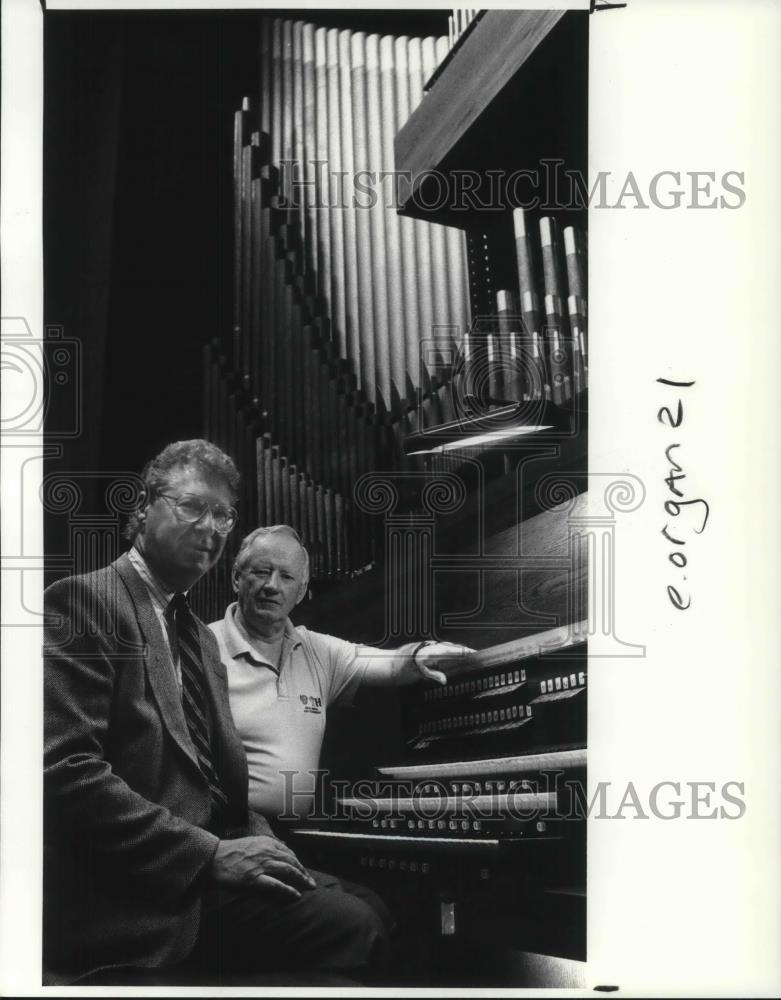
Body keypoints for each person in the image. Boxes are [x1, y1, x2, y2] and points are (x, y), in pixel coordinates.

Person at [43, 440, 390, 986]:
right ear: (141, 510)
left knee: (371, 901)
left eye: (223, 514)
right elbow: (64, 776)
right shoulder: (86, 603)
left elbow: (220, 784)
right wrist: (210, 856)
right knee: (355, 926)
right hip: (138, 891)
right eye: (192, 506)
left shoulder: (198, 642)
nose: (211, 527)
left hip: (204, 863)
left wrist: (265, 842)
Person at [209, 524, 469, 824]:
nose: (273, 585)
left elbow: (393, 664)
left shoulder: (319, 651)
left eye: (287, 576)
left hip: (293, 839)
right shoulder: (201, 648)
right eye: (261, 572)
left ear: (302, 590)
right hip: (228, 835)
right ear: (236, 578)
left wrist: (420, 653)